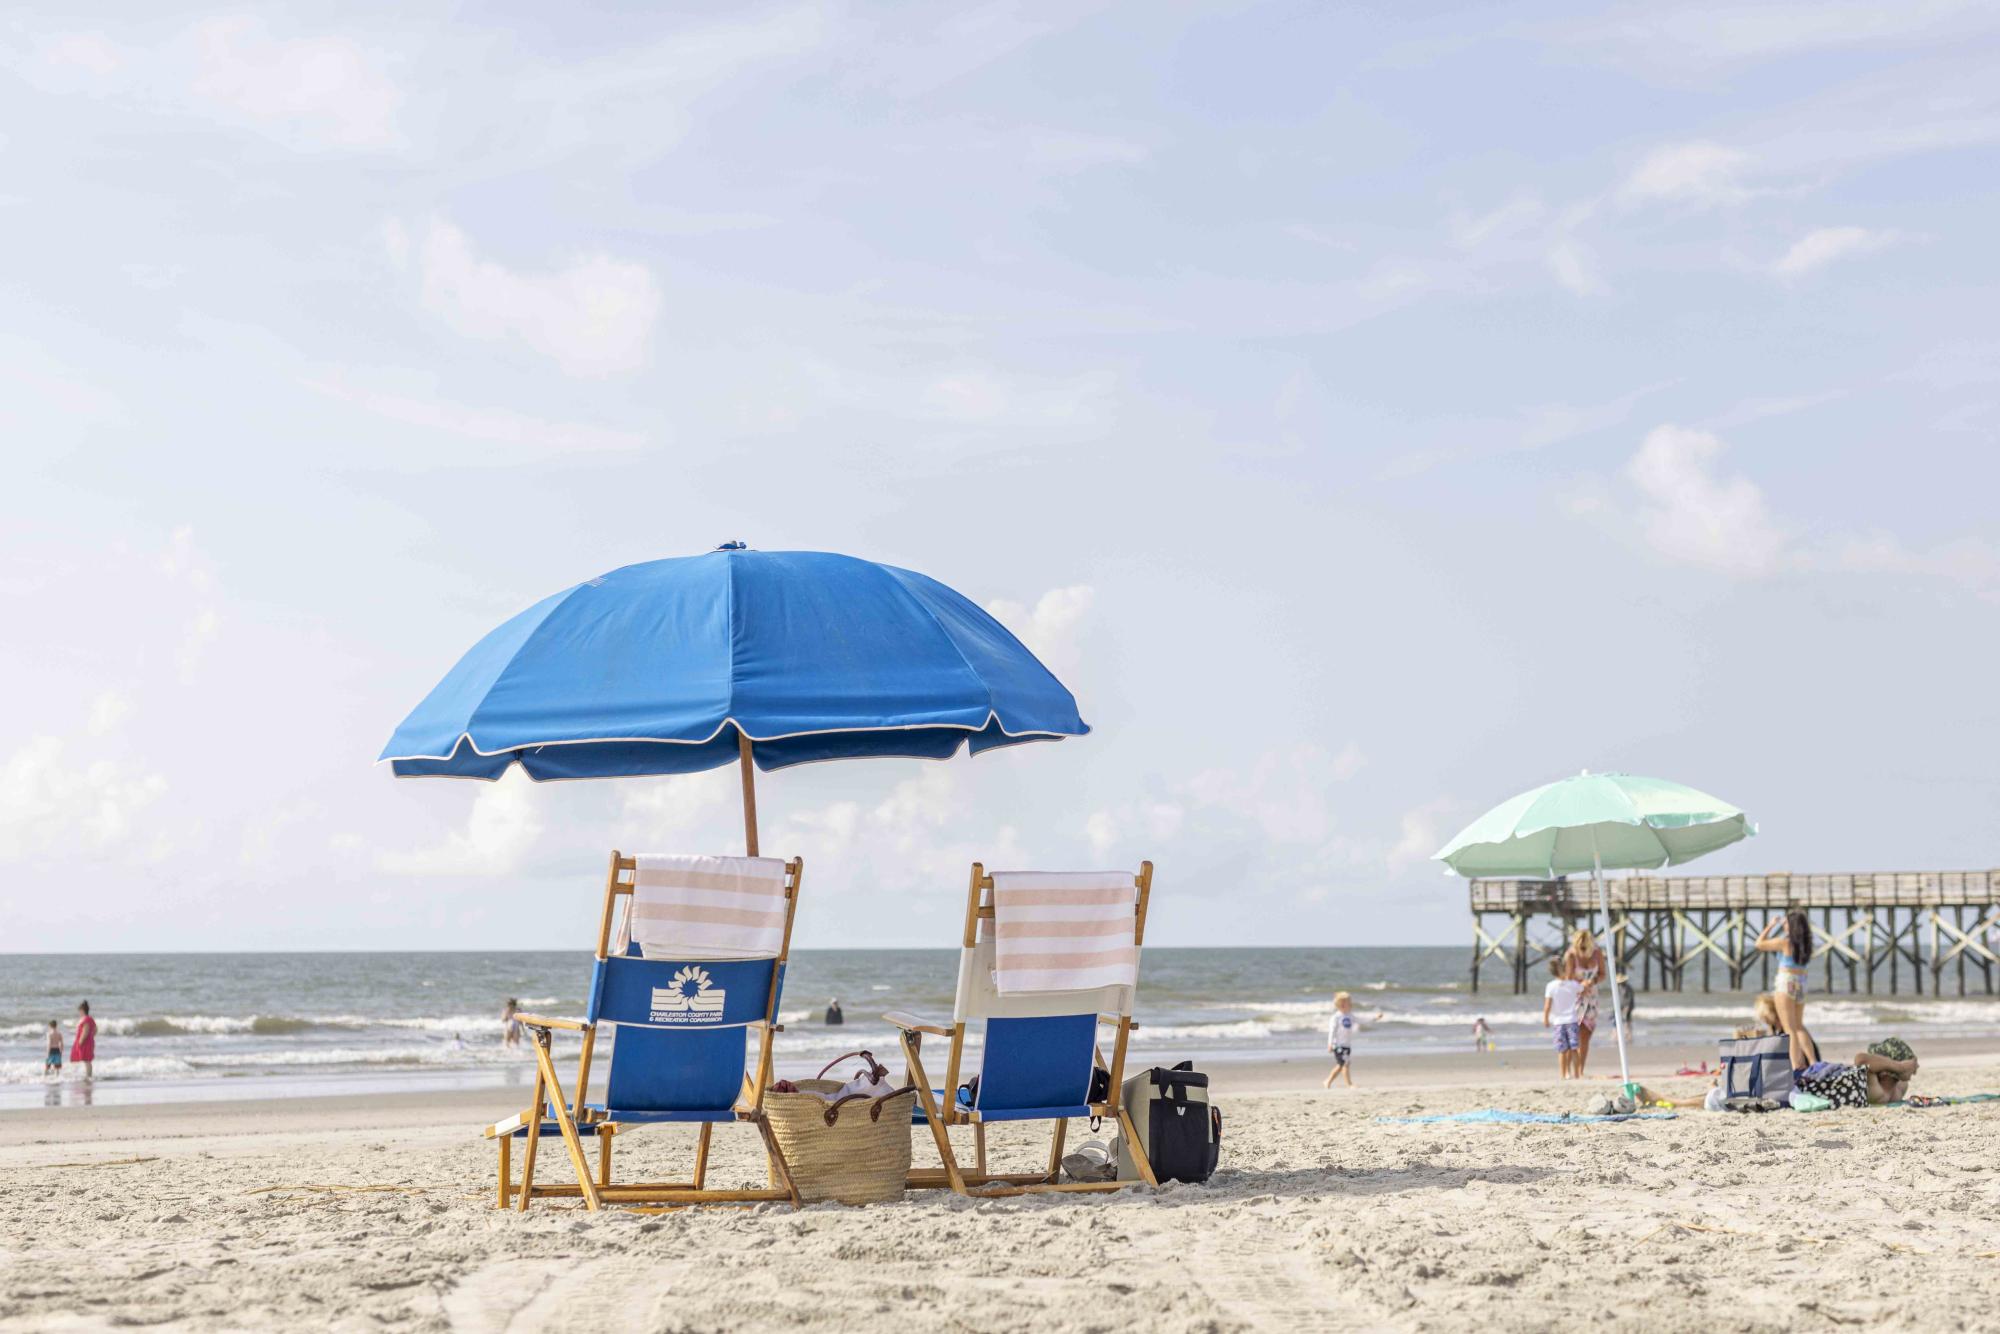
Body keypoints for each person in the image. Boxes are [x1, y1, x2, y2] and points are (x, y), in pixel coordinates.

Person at [1754, 910, 1814, 1069]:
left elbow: (1759, 943)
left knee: (1790, 1030)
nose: (1784, 925)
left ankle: (1796, 1066)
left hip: (1786, 982)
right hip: (1801, 983)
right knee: (1799, 1027)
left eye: (1786, 923)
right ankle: (1814, 1062)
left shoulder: (1785, 943)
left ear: (1792, 926)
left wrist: (1771, 925)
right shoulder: (1805, 946)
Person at [1562, 927, 1608, 1077]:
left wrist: (1592, 981)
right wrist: (1581, 984)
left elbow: (1602, 974)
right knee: (1572, 1033)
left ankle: (1580, 1070)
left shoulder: (1597, 953)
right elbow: (1568, 978)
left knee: (1586, 1034)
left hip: (1591, 998)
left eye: (1585, 944)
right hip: (1575, 997)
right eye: (1580, 945)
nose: (1582, 947)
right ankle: (1568, 1070)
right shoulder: (1571, 955)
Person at [1322, 991, 1383, 1088]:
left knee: (1343, 1065)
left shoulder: (1350, 1016)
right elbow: (1332, 1031)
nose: (1351, 1004)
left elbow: (1362, 1020)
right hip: (1338, 1045)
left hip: (1347, 1045)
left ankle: (1334, 1082)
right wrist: (1330, 1044)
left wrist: (1375, 1018)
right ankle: (1343, 1083)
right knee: (1343, 1064)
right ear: (1341, 1005)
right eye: (1348, 1002)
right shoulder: (1336, 1017)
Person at [1542, 958, 1581, 1079]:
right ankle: (1577, 1074)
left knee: (1562, 1050)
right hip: (1572, 1020)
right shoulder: (1573, 984)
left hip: (1558, 1022)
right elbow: (1583, 990)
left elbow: (1547, 1005)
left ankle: (1563, 1074)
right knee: (1574, 1049)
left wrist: (1546, 1019)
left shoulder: (1551, 986)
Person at [70, 1002, 96, 1080]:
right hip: (88, 1041)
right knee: (85, 1059)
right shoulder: (90, 1018)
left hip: (85, 1042)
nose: (79, 1013)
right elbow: (95, 1029)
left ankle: (88, 1076)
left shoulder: (86, 1019)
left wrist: (81, 1041)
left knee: (87, 1059)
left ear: (82, 1010)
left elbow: (85, 1031)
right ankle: (87, 1075)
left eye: (79, 1011)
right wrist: (91, 1037)